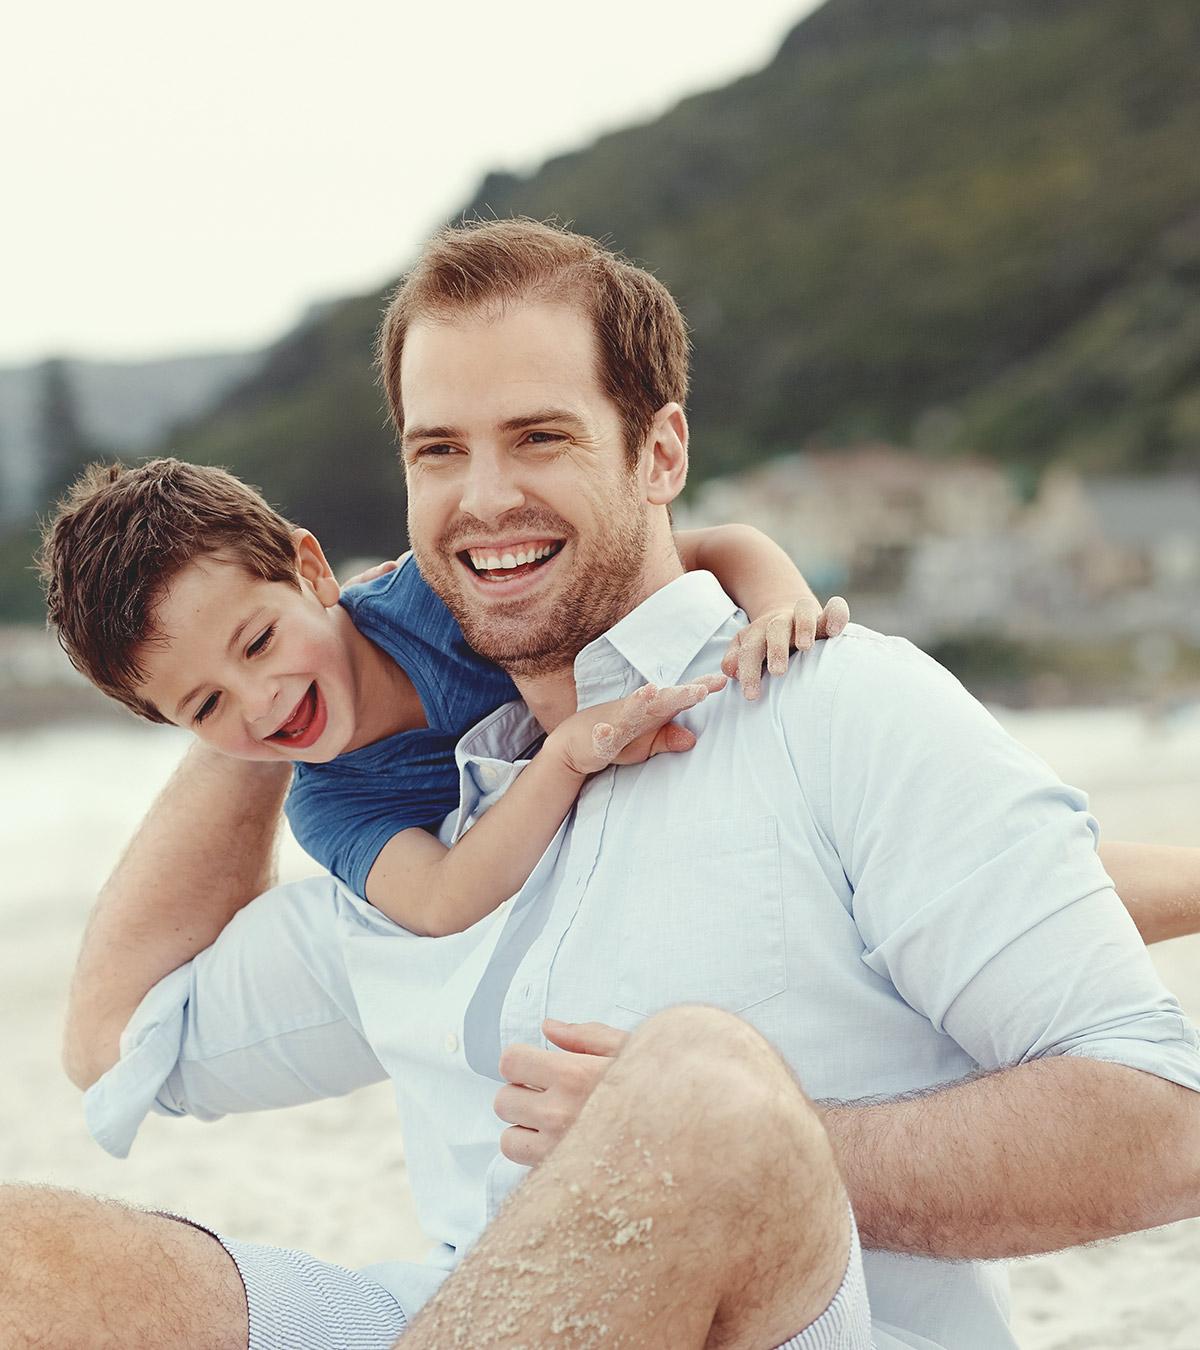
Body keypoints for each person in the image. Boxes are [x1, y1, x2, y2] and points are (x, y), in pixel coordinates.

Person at [5, 218, 1200, 1350]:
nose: (482, 500)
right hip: (461, 1309)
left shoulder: (829, 707)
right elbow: (114, 1043)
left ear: (660, 452)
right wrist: (252, 678)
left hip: (783, 1323)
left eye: (539, 436)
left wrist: (713, 1159)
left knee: (699, 1091)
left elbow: (1161, 1126)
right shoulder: (410, 824)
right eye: (439, 454)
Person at [39, 457, 846, 937]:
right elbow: (439, 898)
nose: (260, 702)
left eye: (259, 643)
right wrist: (563, 757)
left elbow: (713, 545)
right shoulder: (329, 806)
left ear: (313, 571)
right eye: (206, 708)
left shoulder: (436, 590)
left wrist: (779, 607)